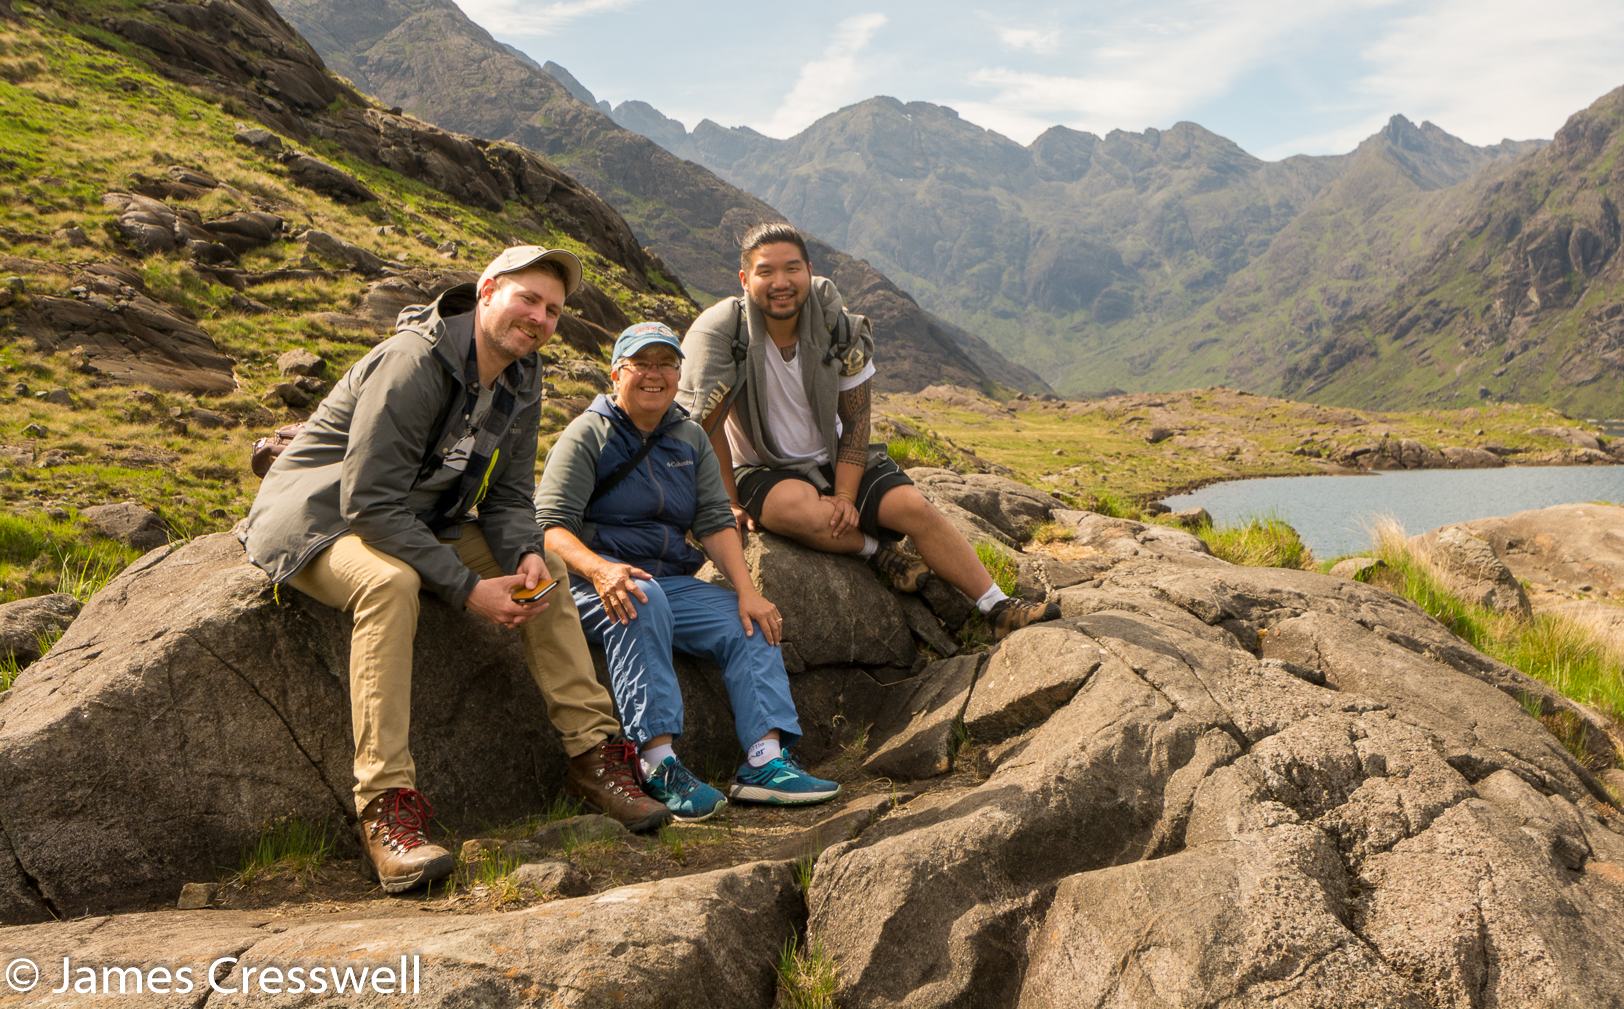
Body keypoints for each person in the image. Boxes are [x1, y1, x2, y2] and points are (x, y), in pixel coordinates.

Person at [241, 246, 669, 895]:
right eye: (528, 298)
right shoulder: (415, 361)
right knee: (389, 583)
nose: (540, 316)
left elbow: (506, 498)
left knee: (546, 564)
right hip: (323, 516)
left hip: (415, 515)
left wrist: (522, 548)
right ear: (488, 290)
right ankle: (385, 808)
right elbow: (368, 502)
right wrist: (468, 586)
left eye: (553, 309)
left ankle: (592, 757)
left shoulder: (523, 377)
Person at [679, 223, 1060, 636]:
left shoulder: (835, 325)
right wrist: (728, 504)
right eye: (766, 271)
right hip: (761, 466)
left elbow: (857, 417)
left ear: (809, 269)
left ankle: (997, 605)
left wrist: (845, 493)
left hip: (834, 453)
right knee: (796, 509)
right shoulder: (720, 333)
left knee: (914, 508)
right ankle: (877, 551)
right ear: (745, 279)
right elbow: (706, 424)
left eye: (792, 269)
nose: (781, 283)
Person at [536, 321, 842, 816]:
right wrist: (601, 570)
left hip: (668, 582)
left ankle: (764, 764)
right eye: (642, 364)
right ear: (617, 374)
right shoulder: (587, 435)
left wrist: (747, 591)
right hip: (590, 583)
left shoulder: (689, 438)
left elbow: (716, 521)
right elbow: (550, 528)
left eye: (666, 364)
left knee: (748, 622)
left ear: (679, 375)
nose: (654, 375)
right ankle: (656, 763)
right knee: (642, 596)